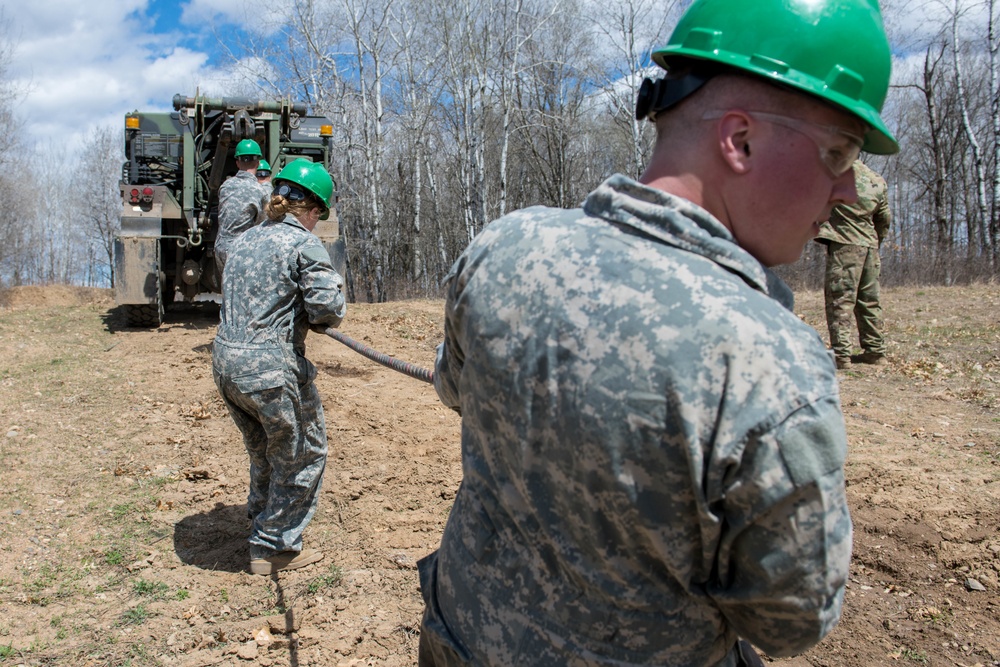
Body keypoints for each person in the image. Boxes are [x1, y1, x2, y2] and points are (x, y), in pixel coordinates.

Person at [418, 0, 899, 665]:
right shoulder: (770, 360)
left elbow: (454, 388)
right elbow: (789, 619)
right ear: (740, 140)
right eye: (838, 151)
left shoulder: (504, 246)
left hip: (459, 640)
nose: (848, 189)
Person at [212, 159, 346, 575]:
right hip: (269, 370)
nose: (316, 224)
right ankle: (275, 548)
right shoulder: (303, 243)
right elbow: (328, 308)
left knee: (265, 451)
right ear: (311, 210)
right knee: (303, 454)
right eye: (317, 217)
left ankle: (261, 520)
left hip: (226, 365)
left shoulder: (246, 239)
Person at [816, 160, 892, 369]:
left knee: (840, 299)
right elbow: (884, 218)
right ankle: (875, 352)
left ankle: (841, 356)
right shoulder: (877, 180)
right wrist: (875, 240)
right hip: (869, 246)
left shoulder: (835, 174)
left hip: (844, 244)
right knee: (869, 300)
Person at [215, 139, 269, 278]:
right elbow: (263, 222)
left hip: (221, 247)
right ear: (257, 163)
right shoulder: (259, 191)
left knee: (228, 290)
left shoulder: (226, 186)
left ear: (237, 163)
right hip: (242, 249)